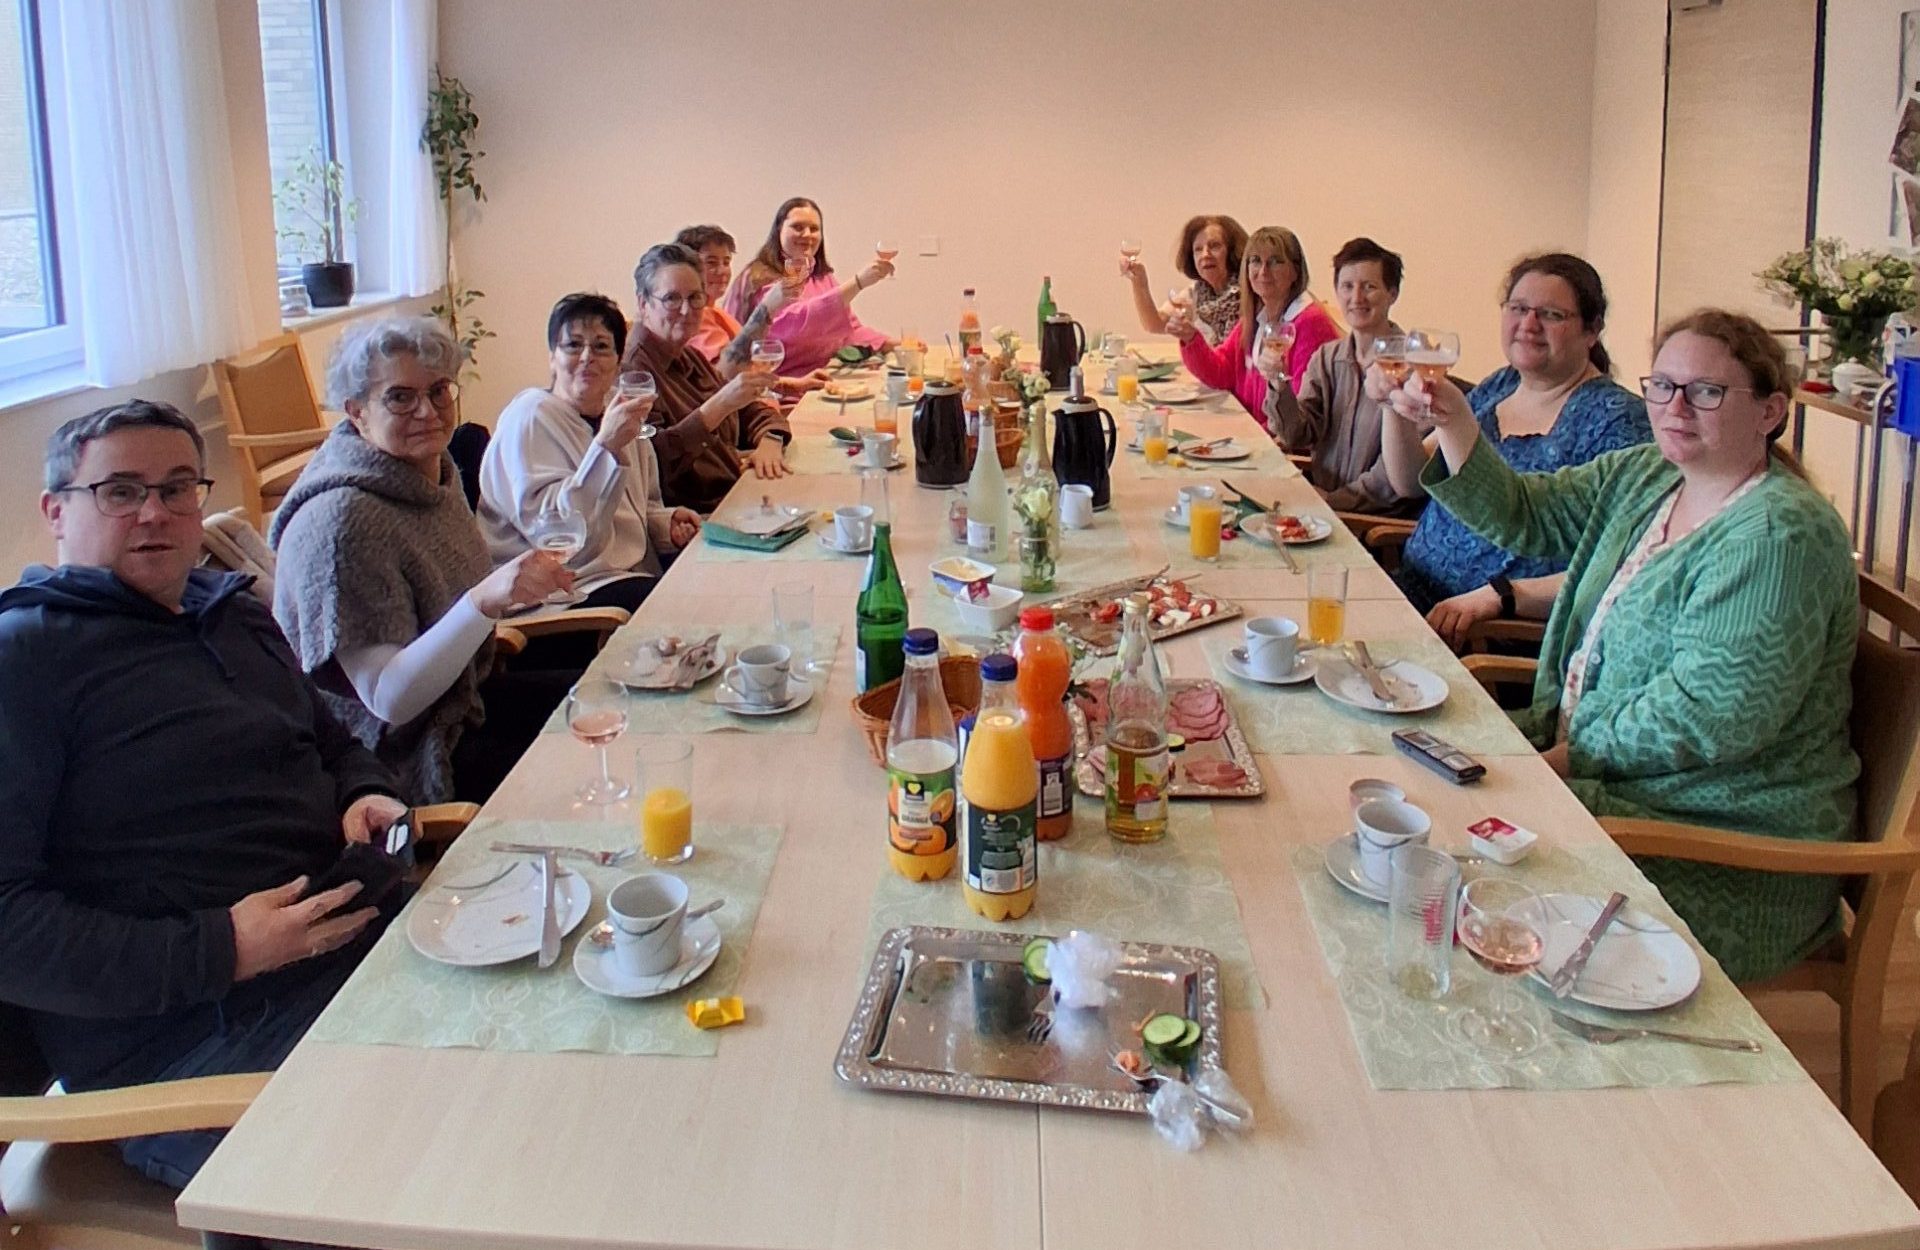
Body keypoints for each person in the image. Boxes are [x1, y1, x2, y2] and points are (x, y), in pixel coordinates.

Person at [0, 399, 409, 1190]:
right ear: (56, 512)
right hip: (193, 1047)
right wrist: (225, 949)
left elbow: (333, 742)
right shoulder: (26, 662)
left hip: (355, 952)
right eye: (121, 491)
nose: (155, 512)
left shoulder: (228, 613)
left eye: (177, 487)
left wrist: (362, 791)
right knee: (452, 1166)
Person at [1393, 309, 1858, 982]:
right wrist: (1455, 420)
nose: (1675, 407)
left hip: (1718, 838)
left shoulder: (1778, 535)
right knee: (1411, 812)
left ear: (1770, 411)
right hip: (1607, 779)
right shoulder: (1651, 475)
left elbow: (1710, 713)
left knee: (1464, 891)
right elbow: (1526, 513)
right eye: (1662, 386)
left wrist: (1560, 761)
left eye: (1706, 391)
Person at [272, 317, 575, 804]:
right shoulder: (342, 523)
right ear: (356, 411)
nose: (427, 412)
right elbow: (389, 702)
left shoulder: (429, 471)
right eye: (400, 397)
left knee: (615, 706)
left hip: (465, 699)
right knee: (591, 766)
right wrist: (483, 602)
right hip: (405, 755)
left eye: (438, 391)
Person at [1375, 252, 1652, 646]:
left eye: (1551, 314)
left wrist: (1502, 595)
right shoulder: (1501, 385)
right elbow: (1408, 481)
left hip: (1483, 631)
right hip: (1415, 588)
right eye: (1518, 308)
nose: (1529, 324)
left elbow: (1620, 563)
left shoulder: (1618, 420)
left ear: (1592, 331)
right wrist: (1393, 406)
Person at [479, 292, 700, 615]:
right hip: (564, 592)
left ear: (618, 361)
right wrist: (605, 446)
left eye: (600, 347)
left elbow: (643, 507)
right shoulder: (529, 419)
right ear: (552, 358)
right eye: (573, 345)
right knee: (687, 606)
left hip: (623, 574)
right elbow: (559, 537)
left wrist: (666, 524)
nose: (587, 357)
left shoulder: (620, 412)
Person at [1262, 237, 1423, 516]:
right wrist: (1278, 382)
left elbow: (1392, 480)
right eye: (1347, 286)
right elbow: (1296, 435)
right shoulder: (1327, 358)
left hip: (1368, 522)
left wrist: (1332, 501)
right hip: (1322, 510)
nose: (1356, 298)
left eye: (1369, 287)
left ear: (1392, 294)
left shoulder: (1412, 371)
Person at [625, 242, 789, 512]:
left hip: (739, 494)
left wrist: (770, 439)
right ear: (644, 304)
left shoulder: (689, 356)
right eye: (672, 299)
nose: (686, 310)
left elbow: (749, 408)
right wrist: (718, 406)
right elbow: (651, 462)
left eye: (695, 297)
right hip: (696, 519)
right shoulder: (633, 373)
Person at [1170, 225, 1341, 419]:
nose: (1263, 271)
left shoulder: (1310, 324)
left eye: (1275, 261)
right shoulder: (1257, 318)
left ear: (1295, 271)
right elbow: (1221, 372)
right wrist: (1191, 338)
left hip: (1274, 436)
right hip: (1251, 427)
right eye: (1256, 261)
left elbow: (1302, 415)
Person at [719, 197, 897, 374]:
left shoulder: (822, 276)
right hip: (775, 383)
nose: (807, 234)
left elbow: (849, 329)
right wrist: (858, 283)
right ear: (779, 230)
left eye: (814, 229)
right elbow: (794, 325)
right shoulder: (759, 277)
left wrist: (892, 344)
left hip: (821, 377)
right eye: (798, 227)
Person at [674, 223, 830, 401]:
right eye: (711, 262)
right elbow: (723, 379)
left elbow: (747, 374)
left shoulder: (717, 312)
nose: (722, 271)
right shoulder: (693, 318)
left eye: (726, 262)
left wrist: (792, 385)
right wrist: (767, 307)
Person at [1120, 214, 1247, 344]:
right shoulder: (1197, 293)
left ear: (1233, 251)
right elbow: (1155, 324)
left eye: (1214, 246)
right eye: (1198, 249)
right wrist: (1139, 282)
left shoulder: (1250, 291)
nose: (1205, 254)